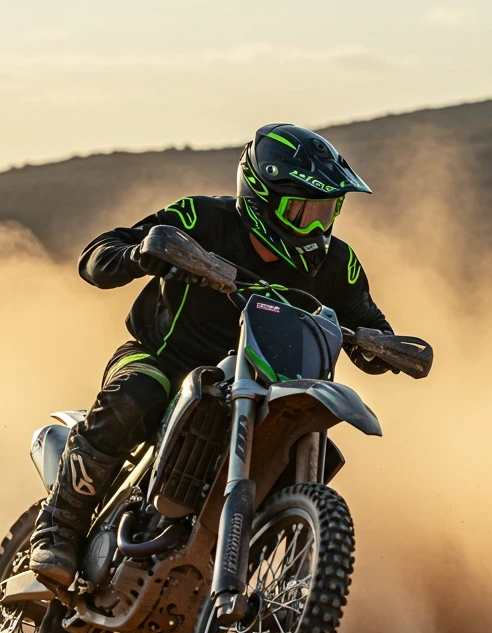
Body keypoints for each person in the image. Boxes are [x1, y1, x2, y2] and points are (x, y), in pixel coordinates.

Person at [29, 123, 398, 588]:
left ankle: (273, 582)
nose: (317, 224)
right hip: (160, 359)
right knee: (135, 394)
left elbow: (369, 323)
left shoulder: (338, 263)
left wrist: (383, 346)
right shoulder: (201, 218)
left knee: (314, 448)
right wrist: (140, 254)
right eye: (302, 209)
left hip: (266, 385)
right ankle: (58, 527)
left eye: (326, 210)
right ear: (261, 199)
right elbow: (98, 255)